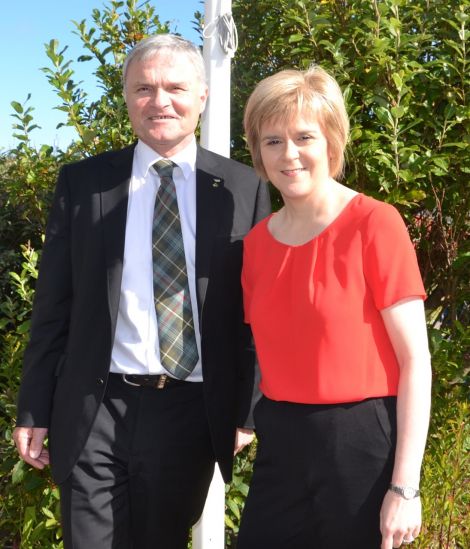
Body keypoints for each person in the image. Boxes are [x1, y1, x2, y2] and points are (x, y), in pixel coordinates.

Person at [13, 34, 270, 549]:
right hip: (94, 404)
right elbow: (53, 305)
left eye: (175, 87)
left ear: (202, 96)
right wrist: (34, 407)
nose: (160, 101)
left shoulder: (245, 188)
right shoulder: (83, 184)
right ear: (126, 97)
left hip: (190, 411)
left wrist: (249, 407)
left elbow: (256, 313)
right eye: (144, 88)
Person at [237, 66, 431, 549]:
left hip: (360, 446)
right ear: (258, 152)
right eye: (273, 140)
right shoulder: (256, 244)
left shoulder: (375, 224)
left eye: (304, 136)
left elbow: (415, 362)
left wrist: (405, 487)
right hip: (279, 442)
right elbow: (259, 350)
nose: (289, 153)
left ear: (331, 143)